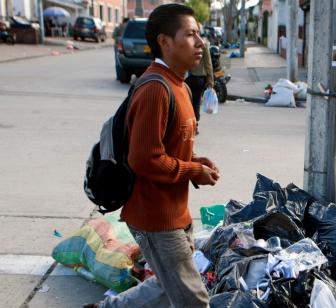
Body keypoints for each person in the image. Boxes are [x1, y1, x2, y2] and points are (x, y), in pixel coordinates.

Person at [84, 4, 219, 308]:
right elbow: (144, 159)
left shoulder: (179, 85)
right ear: (165, 42)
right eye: (191, 35)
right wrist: (192, 172)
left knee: (164, 286)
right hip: (155, 218)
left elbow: (169, 147)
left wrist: (196, 161)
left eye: (200, 35)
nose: (200, 43)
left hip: (174, 211)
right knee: (194, 301)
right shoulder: (156, 89)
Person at [185, 30, 214, 135]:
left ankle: (190, 125)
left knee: (187, 103)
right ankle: (194, 126)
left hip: (188, 78)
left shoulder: (186, 43)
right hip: (198, 78)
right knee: (195, 103)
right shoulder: (203, 44)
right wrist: (210, 80)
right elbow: (208, 63)